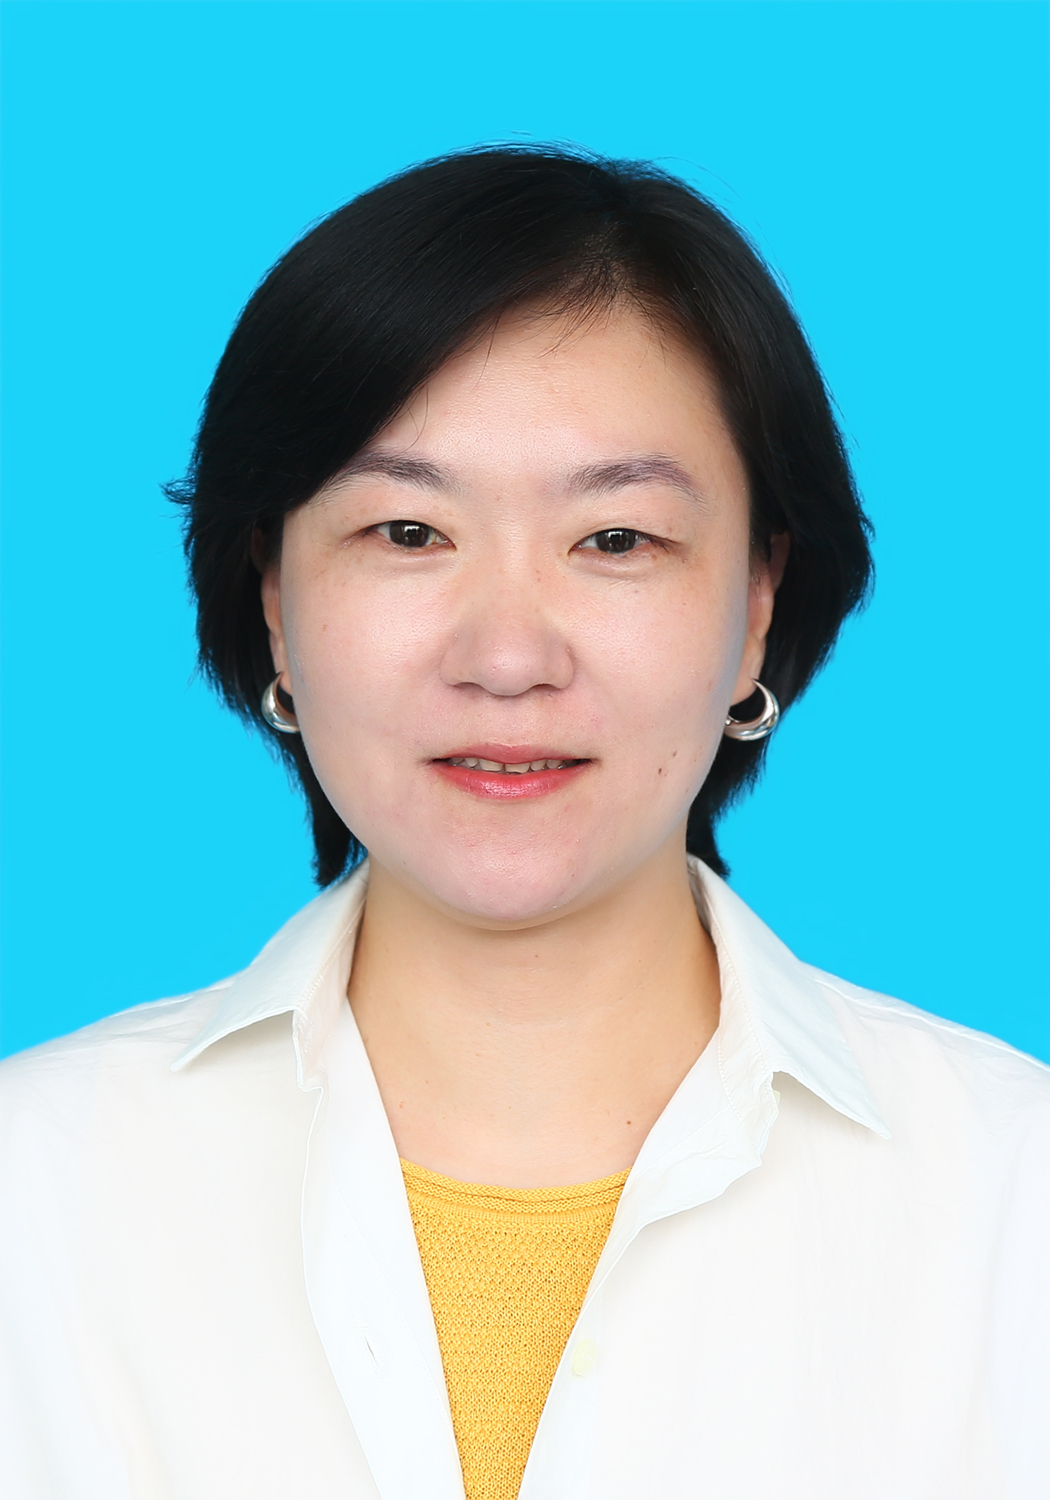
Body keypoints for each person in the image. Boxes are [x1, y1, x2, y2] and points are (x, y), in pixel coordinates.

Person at [1, 145, 1047, 1500]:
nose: (507, 656)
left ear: (756, 607)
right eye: (406, 533)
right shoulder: (36, 1192)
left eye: (615, 540)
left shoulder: (1011, 1199)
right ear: (272, 600)